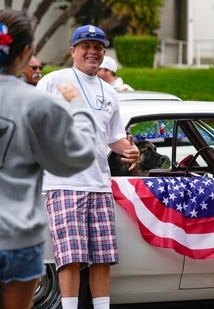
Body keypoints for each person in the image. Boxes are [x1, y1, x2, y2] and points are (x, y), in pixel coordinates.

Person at [36, 24, 140, 309]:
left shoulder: (110, 92)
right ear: (73, 51)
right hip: (64, 183)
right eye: (86, 47)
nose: (92, 52)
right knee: (71, 257)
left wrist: (130, 151)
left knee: (103, 257)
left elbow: (114, 138)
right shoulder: (54, 80)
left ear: (103, 52)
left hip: (99, 183)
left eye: (97, 47)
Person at [0, 9, 97, 309]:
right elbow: (77, 156)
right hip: (16, 237)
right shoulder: (36, 103)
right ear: (27, 51)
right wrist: (79, 106)